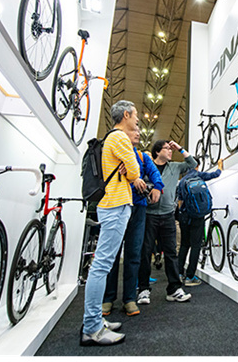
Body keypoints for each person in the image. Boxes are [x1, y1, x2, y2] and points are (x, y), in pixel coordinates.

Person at [80, 100, 140, 347]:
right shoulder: (120, 138)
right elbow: (134, 173)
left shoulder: (110, 139)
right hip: (116, 205)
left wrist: (128, 168)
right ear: (126, 115)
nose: (137, 120)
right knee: (101, 266)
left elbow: (130, 170)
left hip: (110, 205)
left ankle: (95, 321)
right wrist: (129, 169)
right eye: (135, 116)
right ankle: (92, 328)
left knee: (101, 265)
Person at [102, 127, 164, 317]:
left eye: (138, 131)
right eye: (133, 130)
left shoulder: (143, 157)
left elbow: (155, 174)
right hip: (117, 206)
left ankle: (129, 299)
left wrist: (158, 187)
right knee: (112, 255)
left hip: (138, 209)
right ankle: (107, 298)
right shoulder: (115, 151)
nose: (138, 133)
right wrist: (132, 177)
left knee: (134, 253)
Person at [136, 140, 197, 304]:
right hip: (148, 214)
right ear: (157, 152)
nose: (170, 151)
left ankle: (174, 289)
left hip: (168, 215)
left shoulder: (175, 167)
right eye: (167, 149)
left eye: (171, 149)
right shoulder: (147, 167)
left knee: (171, 253)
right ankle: (143, 290)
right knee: (145, 253)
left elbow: (193, 164)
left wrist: (180, 148)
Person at [176, 159, 223, 286]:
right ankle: (190, 276)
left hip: (185, 216)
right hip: (197, 216)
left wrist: (182, 214)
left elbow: (180, 201)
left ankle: (179, 274)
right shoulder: (199, 175)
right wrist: (219, 166)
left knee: (184, 245)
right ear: (197, 166)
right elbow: (215, 174)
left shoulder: (182, 181)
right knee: (196, 245)